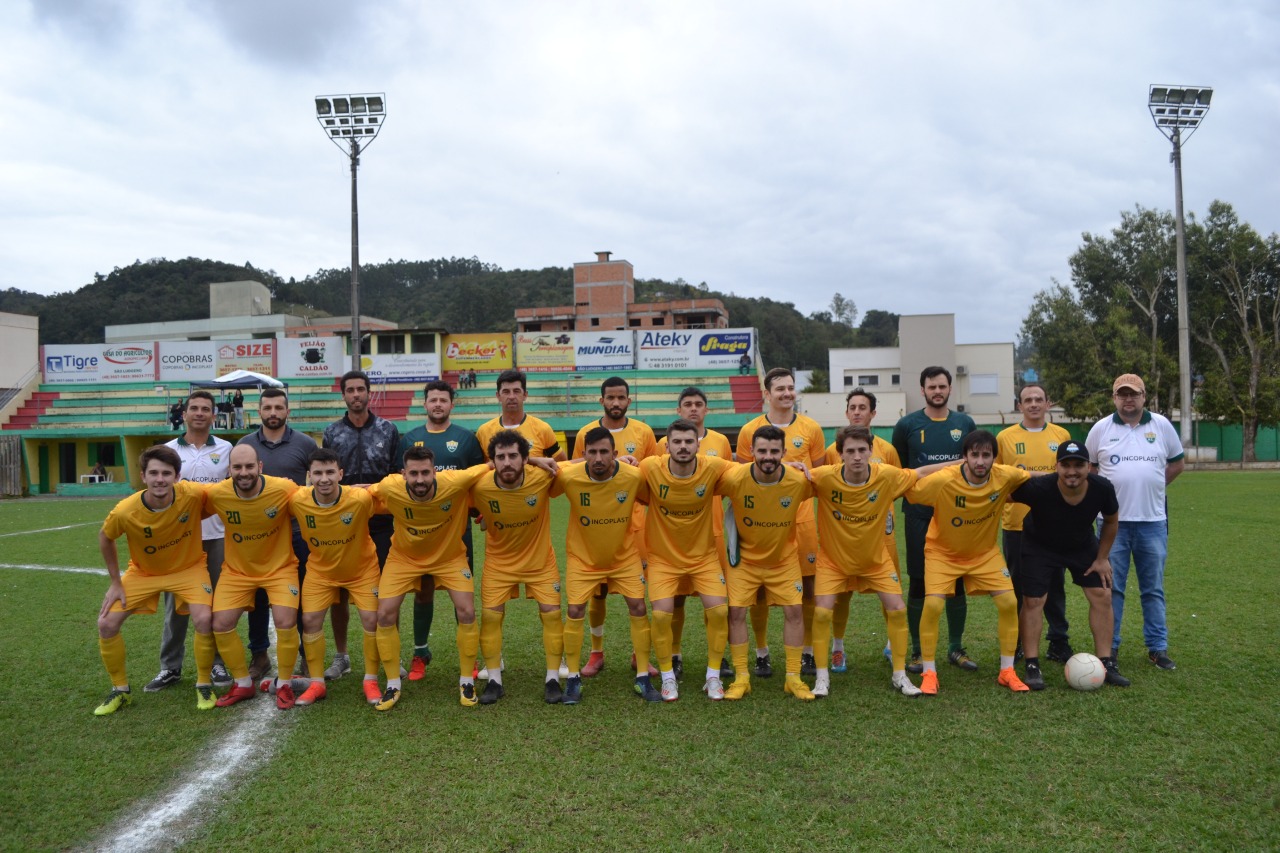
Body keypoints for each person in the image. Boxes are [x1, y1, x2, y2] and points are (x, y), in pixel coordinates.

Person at [810, 426, 940, 698]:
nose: (857, 456)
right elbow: (790, 477)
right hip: (833, 562)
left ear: (871, 451)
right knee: (821, 613)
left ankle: (900, 674)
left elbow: (921, 472)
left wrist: (963, 462)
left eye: (862, 450)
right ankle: (822, 678)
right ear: (840, 454)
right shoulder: (823, 477)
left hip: (876, 561)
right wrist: (793, 466)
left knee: (898, 609)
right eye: (850, 451)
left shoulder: (887, 475)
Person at [903, 430, 1032, 695]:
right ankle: (929, 673)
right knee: (933, 605)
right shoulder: (944, 480)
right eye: (975, 455)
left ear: (995, 458)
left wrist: (1066, 474)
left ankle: (1007, 671)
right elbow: (911, 492)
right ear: (965, 457)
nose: (980, 461)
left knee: (1009, 602)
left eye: (986, 455)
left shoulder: (1005, 475)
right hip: (942, 553)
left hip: (984, 554)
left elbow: (1032, 476)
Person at [93, 446, 216, 715]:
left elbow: (222, 495)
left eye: (166, 473)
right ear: (143, 476)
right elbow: (105, 537)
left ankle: (204, 683)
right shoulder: (126, 510)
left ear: (177, 476)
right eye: (154, 473)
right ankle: (120, 690)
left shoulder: (193, 494)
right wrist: (115, 582)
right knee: (106, 623)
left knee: (204, 619)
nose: (160, 479)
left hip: (188, 569)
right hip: (144, 573)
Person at [367, 446, 490, 709]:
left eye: (425, 472)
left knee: (467, 611)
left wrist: (536, 458)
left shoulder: (455, 480)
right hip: (404, 558)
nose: (420, 479)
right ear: (403, 474)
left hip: (449, 557)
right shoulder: (390, 486)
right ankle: (392, 685)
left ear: (435, 471)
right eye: (414, 474)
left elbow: (493, 467)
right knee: (384, 614)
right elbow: (363, 492)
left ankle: (466, 681)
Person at [1008, 440, 1130, 689]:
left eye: (1078, 465)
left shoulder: (1102, 487)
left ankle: (1106, 663)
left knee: (1102, 594)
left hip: (1080, 545)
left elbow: (1111, 521)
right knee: (1033, 600)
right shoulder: (1039, 487)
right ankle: (1032, 665)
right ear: (1057, 467)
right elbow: (1001, 494)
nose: (1072, 471)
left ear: (1089, 467)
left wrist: (1102, 559)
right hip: (1039, 546)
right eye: (1066, 465)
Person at [554, 426, 661, 704]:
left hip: (624, 557)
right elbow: (540, 475)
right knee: (575, 610)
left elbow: (655, 496)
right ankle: (573, 679)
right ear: (584, 454)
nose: (599, 458)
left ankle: (642, 676)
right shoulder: (568, 476)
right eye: (592, 452)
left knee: (638, 607)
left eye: (604, 452)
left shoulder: (633, 476)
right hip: (583, 558)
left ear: (615, 453)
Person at [1085, 373, 1184, 670]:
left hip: (1152, 522)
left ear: (1144, 397)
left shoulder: (1161, 425)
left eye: (1134, 394)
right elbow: (1090, 470)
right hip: (1111, 524)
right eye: (1122, 394)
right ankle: (1110, 647)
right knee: (1110, 588)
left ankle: (1157, 647)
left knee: (1152, 589)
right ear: (1114, 398)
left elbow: (1177, 464)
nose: (1128, 399)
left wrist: (1154, 486)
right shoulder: (1101, 428)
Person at [734, 367, 826, 679]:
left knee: (809, 589)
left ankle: (807, 652)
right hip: (761, 524)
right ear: (767, 394)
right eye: (780, 389)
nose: (787, 393)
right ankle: (761, 653)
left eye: (790, 387)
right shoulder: (749, 430)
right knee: (758, 592)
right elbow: (745, 475)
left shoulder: (812, 428)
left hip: (801, 519)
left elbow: (818, 476)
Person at [144, 390, 232, 694]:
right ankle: (170, 667)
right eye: (194, 408)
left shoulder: (226, 448)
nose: (199, 413)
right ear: (184, 414)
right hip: (179, 540)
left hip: (216, 536)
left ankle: (217, 662)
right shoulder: (167, 450)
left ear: (213, 415)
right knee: (176, 606)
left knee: (217, 602)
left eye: (205, 409)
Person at [397, 380, 486, 681]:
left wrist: (479, 511)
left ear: (452, 404)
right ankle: (420, 652)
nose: (438, 404)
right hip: (420, 534)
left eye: (443, 400)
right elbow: (398, 483)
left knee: (463, 598)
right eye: (433, 400)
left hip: (456, 532)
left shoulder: (466, 439)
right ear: (424, 404)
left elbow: (478, 481)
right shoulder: (410, 439)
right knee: (423, 594)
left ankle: (468, 657)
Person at [202, 444, 303, 709]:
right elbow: (185, 502)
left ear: (260, 467)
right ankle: (243, 683)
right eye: (237, 467)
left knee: (285, 621)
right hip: (238, 571)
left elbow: (313, 500)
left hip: (280, 569)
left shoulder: (284, 488)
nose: (243, 472)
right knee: (221, 624)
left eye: (249, 466)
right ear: (229, 470)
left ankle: (284, 684)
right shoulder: (217, 494)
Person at [570, 377, 658, 679]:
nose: (616, 402)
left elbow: (651, 473)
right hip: (595, 527)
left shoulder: (644, 432)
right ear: (602, 400)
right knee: (598, 593)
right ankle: (596, 652)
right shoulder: (586, 433)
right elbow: (577, 470)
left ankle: (639, 654)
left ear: (629, 401)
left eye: (621, 397)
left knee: (638, 595)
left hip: (635, 526)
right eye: (610, 397)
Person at [720, 425, 816, 701]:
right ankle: (742, 678)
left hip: (783, 561)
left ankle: (793, 678)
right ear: (751, 450)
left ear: (784, 452)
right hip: (745, 562)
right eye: (762, 450)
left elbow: (834, 479)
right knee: (736, 614)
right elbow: (701, 475)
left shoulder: (799, 481)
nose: (768, 456)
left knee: (795, 612)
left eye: (775, 451)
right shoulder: (734, 478)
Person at [468, 429, 564, 705]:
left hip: (540, 563)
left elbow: (583, 464)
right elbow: (450, 485)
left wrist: (622, 461)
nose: (507, 462)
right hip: (499, 565)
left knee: (552, 616)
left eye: (513, 456)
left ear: (525, 459)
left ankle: (553, 679)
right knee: (490, 617)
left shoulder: (543, 475)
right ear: (492, 461)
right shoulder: (479, 486)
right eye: (501, 457)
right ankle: (494, 681)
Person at [892, 366, 978, 674]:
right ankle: (917, 651)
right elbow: (903, 472)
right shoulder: (906, 425)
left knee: (956, 580)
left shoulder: (964, 423)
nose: (937, 391)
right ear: (923, 390)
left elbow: (973, 465)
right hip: (919, 514)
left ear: (950, 388)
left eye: (942, 386)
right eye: (932, 387)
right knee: (919, 581)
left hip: (956, 514)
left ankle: (955, 648)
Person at [641, 418, 733, 700]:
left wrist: (791, 466)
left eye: (689, 441)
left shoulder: (713, 466)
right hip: (663, 559)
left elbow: (750, 472)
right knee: (661, 614)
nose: (683, 447)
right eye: (677, 442)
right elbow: (617, 471)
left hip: (703, 557)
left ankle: (713, 676)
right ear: (666, 446)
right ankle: (668, 677)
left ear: (698, 445)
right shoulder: (650, 467)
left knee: (719, 611)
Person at [289, 448, 385, 708]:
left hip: (362, 571)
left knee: (372, 619)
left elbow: (395, 499)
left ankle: (371, 679)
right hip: (321, 572)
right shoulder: (297, 500)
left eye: (330, 472)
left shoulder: (360, 499)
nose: (324, 479)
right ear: (309, 476)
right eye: (318, 473)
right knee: (309, 620)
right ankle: (317, 683)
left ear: (341, 474)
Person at [321, 370, 401, 681]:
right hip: (342, 524)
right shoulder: (331, 432)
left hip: (381, 522)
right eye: (350, 390)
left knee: (387, 590)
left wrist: (372, 490)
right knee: (339, 591)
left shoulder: (387, 430)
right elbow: (327, 475)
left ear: (369, 393)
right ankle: (342, 656)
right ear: (343, 395)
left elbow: (396, 476)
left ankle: (390, 652)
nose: (356, 395)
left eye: (360, 389)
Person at [237, 387, 318, 682]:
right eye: (267, 407)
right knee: (257, 597)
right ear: (259, 411)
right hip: (258, 537)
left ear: (287, 411)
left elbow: (316, 484)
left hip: (296, 534)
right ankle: (259, 655)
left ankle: (307, 655)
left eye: (278, 407)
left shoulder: (305, 443)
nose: (273, 413)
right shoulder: (245, 444)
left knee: (301, 596)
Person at [822, 387, 901, 671]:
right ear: (846, 413)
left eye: (862, 407)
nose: (857, 412)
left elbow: (898, 485)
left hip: (881, 534)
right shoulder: (832, 451)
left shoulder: (887, 450)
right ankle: (838, 648)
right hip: (843, 536)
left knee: (890, 590)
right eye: (852, 407)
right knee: (841, 594)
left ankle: (892, 644)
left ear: (873, 413)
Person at [996, 383, 1074, 662]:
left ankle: (1058, 640)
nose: (1033, 404)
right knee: (1017, 586)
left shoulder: (1061, 435)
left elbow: (1069, 476)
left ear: (1047, 403)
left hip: (1053, 524)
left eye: (1038, 399)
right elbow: (997, 478)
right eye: (1027, 400)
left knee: (1055, 585)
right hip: (1016, 524)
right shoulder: (1004, 437)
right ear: (1019, 406)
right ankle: (1017, 642)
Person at [475, 369, 567, 462]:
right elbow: (478, 468)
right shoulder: (483, 432)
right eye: (506, 392)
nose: (511, 396)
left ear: (525, 395)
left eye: (516, 391)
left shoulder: (542, 429)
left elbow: (562, 464)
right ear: (498, 396)